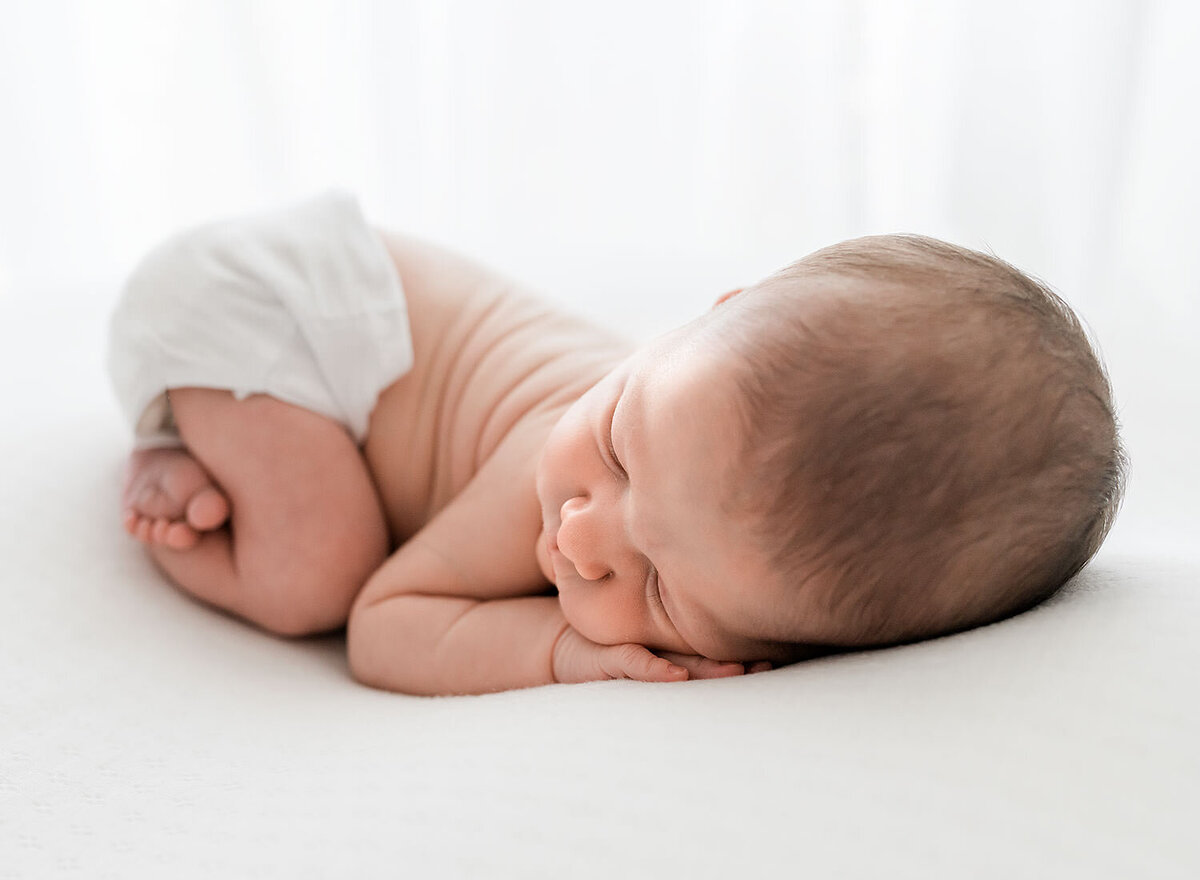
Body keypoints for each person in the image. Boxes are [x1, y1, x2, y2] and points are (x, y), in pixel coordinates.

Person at [108, 193, 1127, 696]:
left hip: (310, 320)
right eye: (621, 448)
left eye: (662, 591)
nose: (584, 536)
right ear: (701, 320)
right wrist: (559, 649)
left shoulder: (691, 449)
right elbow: (384, 621)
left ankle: (229, 438)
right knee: (315, 576)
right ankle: (170, 445)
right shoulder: (543, 460)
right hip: (272, 305)